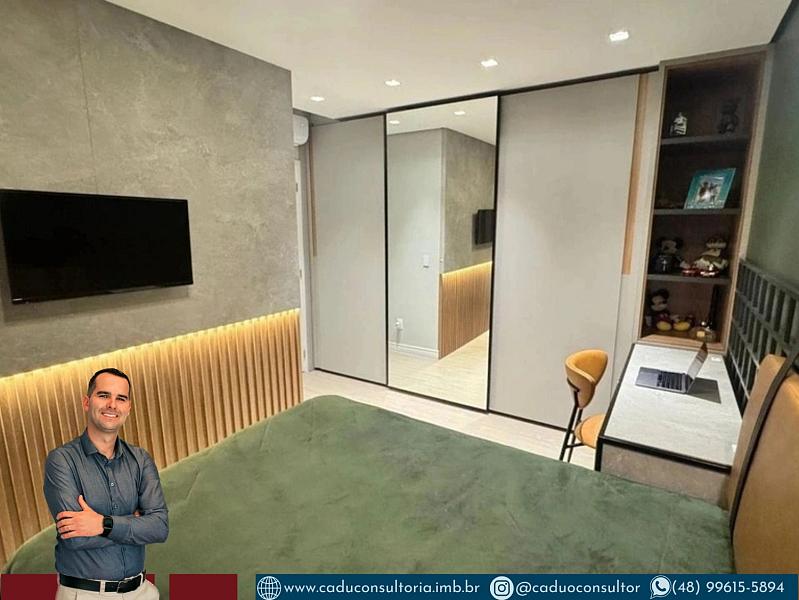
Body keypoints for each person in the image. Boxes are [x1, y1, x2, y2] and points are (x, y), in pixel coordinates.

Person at [44, 368, 168, 599]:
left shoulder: (141, 459)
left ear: (128, 408)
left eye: (121, 398)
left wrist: (103, 524)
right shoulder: (61, 460)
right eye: (103, 395)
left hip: (142, 592)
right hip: (85, 594)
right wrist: (135, 523)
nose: (112, 405)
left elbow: (159, 527)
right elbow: (76, 536)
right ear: (86, 402)